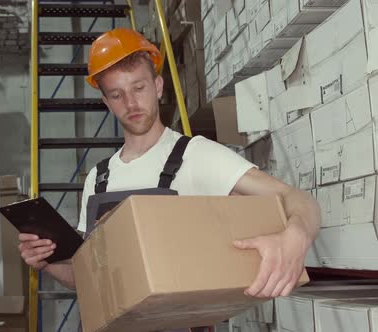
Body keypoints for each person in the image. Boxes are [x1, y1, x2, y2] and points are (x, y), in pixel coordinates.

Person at [18, 28, 320, 301]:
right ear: (107, 103)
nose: (131, 104)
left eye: (139, 88)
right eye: (117, 95)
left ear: (158, 86)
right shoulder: (98, 178)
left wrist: (296, 237)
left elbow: (297, 199)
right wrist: (48, 263)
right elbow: (87, 277)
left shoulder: (197, 155)